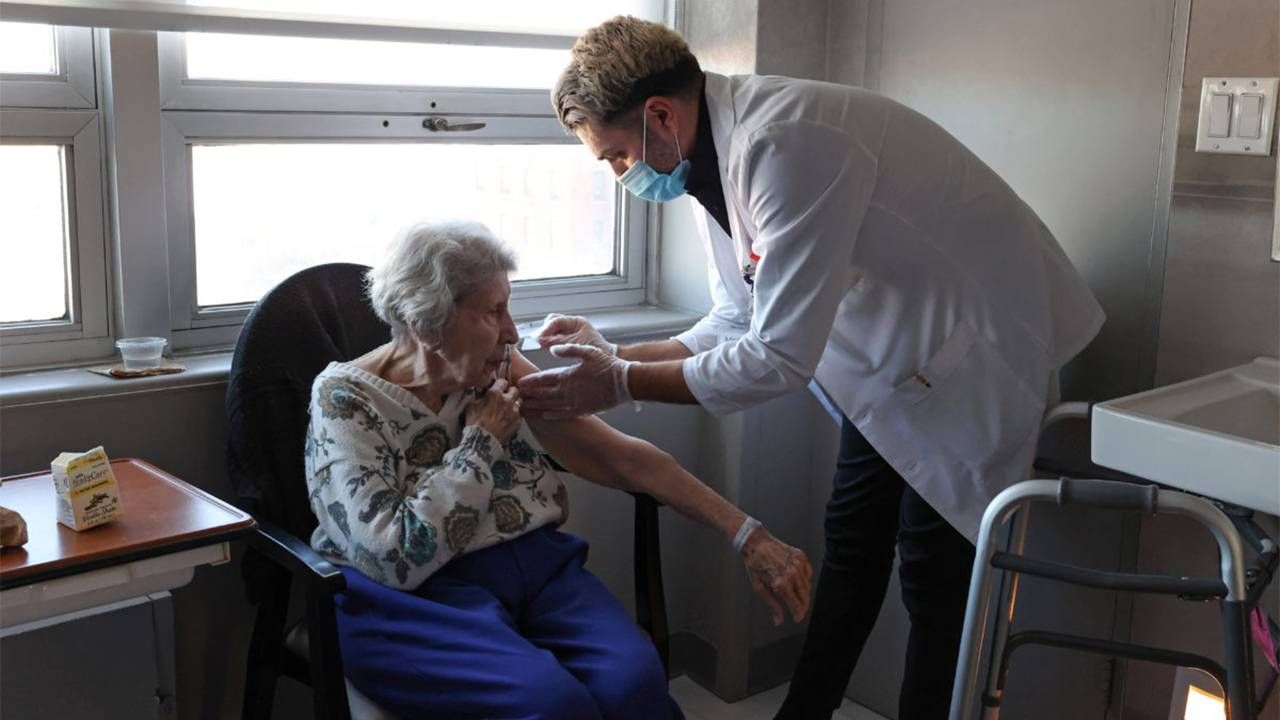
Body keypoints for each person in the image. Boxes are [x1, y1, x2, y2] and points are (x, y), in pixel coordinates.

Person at [518, 16, 1106, 720]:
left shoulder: (787, 141)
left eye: (615, 156)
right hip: (890, 367)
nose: (621, 177)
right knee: (853, 540)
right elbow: (735, 319)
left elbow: (776, 359)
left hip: (973, 359)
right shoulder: (710, 162)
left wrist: (616, 382)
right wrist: (617, 357)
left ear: (660, 117)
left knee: (935, 579)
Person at [303, 219, 812, 720]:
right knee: (550, 706)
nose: (511, 332)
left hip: (533, 568)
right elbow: (394, 557)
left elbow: (620, 455)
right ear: (427, 322)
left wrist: (747, 533)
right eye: (493, 311)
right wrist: (480, 443)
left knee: (635, 683)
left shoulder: (493, 367)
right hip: (414, 601)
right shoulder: (346, 401)